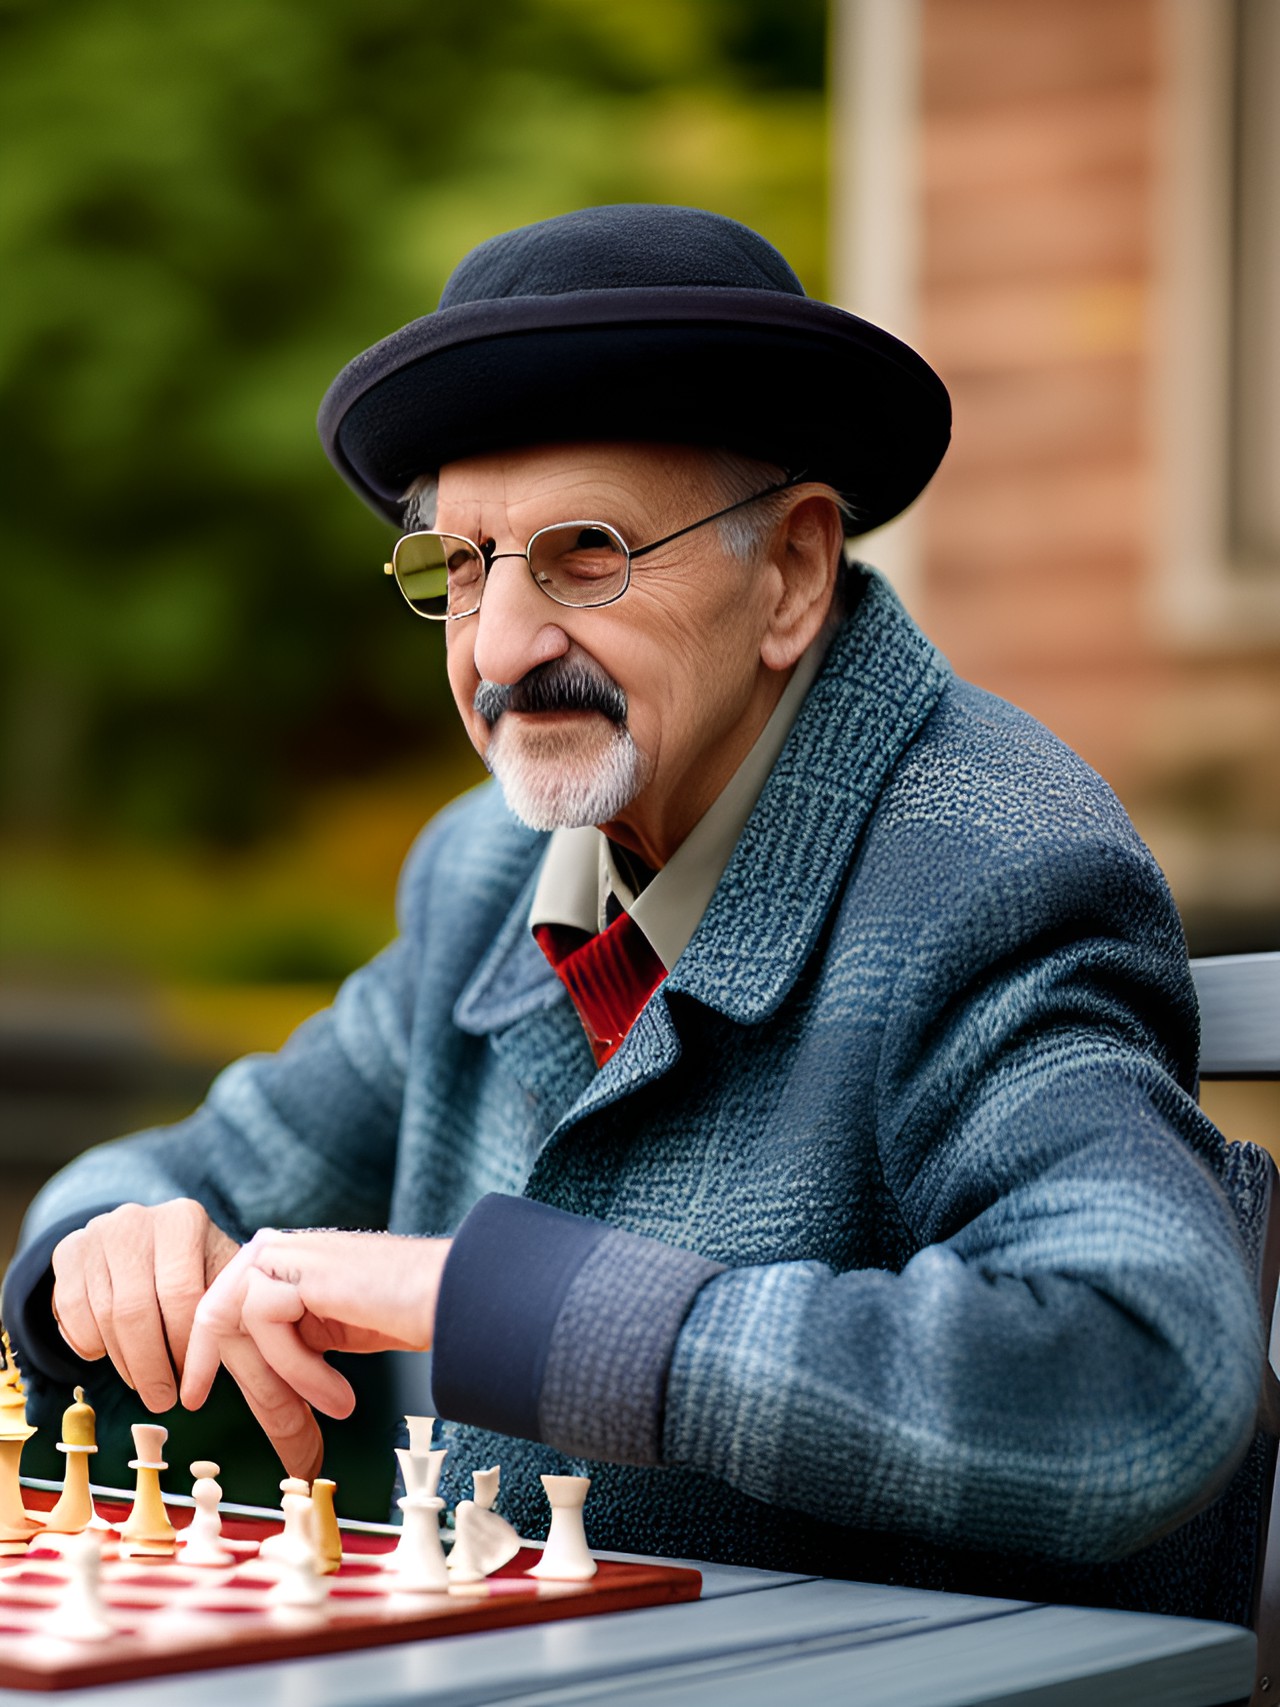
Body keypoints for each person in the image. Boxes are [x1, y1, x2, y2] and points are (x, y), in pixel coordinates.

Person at [2, 205, 1271, 1620]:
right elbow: (193, 1169)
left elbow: (1141, 1380)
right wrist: (106, 1245)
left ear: (789, 572)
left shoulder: (993, 866)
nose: (496, 648)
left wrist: (509, 1305)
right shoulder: (482, 872)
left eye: (583, 553)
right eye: (459, 566)